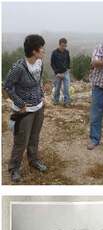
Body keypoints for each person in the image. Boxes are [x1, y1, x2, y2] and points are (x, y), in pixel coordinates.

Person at [3, 34, 48, 183]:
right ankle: (14, 168)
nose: (43, 51)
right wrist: (20, 103)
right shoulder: (19, 68)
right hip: (24, 111)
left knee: (34, 137)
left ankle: (33, 160)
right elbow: (7, 86)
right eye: (41, 48)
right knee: (21, 141)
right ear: (34, 51)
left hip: (38, 107)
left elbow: (38, 81)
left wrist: (42, 95)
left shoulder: (40, 62)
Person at [50, 37, 71, 106]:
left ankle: (66, 102)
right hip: (58, 73)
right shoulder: (54, 53)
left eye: (65, 46)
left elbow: (68, 61)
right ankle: (56, 101)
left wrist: (68, 69)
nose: (63, 47)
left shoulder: (67, 52)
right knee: (57, 88)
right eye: (62, 46)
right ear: (59, 45)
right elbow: (52, 64)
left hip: (65, 72)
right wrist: (57, 73)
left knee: (66, 88)